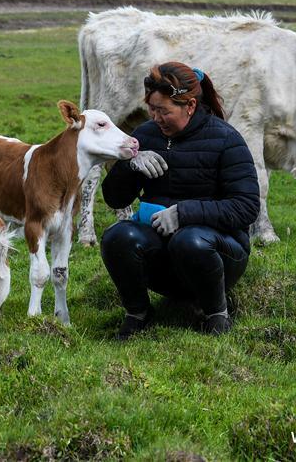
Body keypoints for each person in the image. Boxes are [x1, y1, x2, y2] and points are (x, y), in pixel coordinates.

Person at [99, 61, 259, 339]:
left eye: (164, 111)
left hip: (219, 254)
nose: (156, 117)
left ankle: (216, 314)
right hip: (164, 256)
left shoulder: (226, 140)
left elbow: (246, 207)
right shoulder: (146, 135)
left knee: (190, 240)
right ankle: (137, 314)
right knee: (117, 236)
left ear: (190, 106)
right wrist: (129, 165)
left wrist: (184, 213)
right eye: (152, 108)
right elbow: (114, 199)